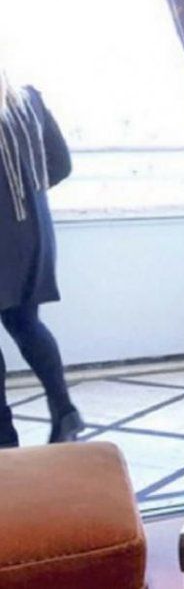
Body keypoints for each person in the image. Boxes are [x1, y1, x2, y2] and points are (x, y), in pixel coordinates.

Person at [0, 72, 84, 448]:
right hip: (33, 233)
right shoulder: (27, 99)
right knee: (26, 323)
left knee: (23, 324)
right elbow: (61, 164)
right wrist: (23, 193)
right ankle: (64, 410)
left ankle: (3, 436)